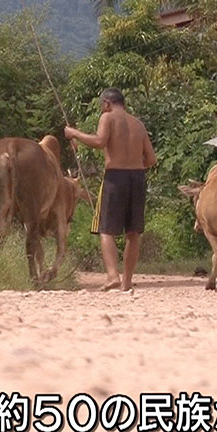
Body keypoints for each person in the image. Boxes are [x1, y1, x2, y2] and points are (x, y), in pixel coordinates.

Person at [65, 88, 157, 293]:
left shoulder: (107, 118)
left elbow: (99, 141)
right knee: (133, 232)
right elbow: (151, 159)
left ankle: (112, 275)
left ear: (107, 104)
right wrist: (133, 162)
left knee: (106, 229)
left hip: (116, 176)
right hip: (138, 178)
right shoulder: (138, 124)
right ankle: (127, 282)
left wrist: (74, 134)